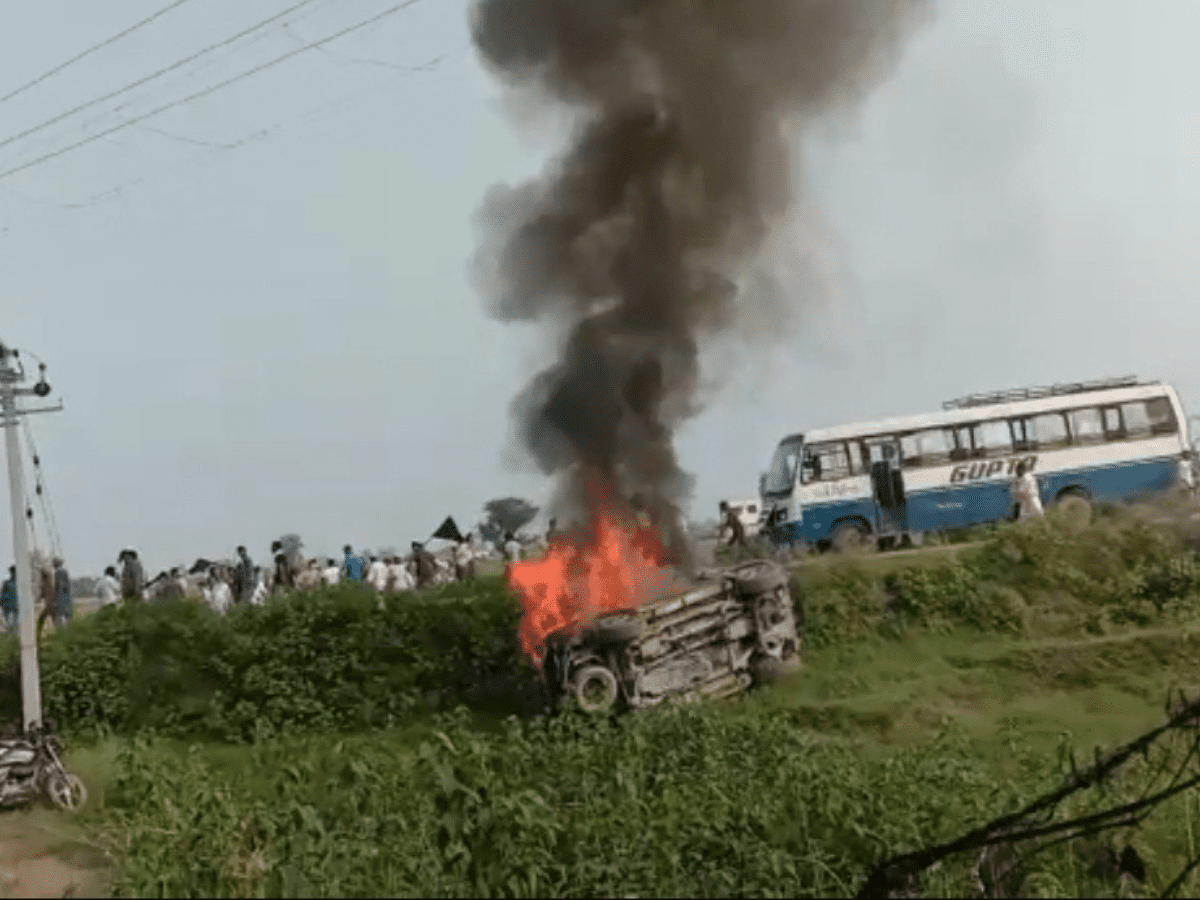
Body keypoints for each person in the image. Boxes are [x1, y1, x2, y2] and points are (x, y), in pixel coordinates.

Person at [1, 566, 16, 632]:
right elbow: (2, 595)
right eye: (12, 572)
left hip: (17, 608)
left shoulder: (21, 584)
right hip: (8, 609)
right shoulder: (7, 583)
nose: (13, 574)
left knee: (16, 626)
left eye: (14, 572)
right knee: (10, 626)